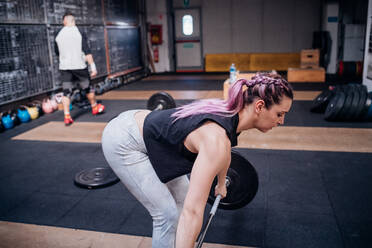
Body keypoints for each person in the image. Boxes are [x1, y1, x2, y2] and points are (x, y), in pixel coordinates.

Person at [101, 73, 293, 248]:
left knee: (184, 203)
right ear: (259, 106)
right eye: (280, 114)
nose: (281, 121)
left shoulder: (231, 116)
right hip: (124, 140)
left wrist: (221, 183)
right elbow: (192, 213)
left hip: (149, 135)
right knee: (167, 216)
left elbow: (226, 151)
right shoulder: (216, 139)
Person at [55, 12, 104, 126]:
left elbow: (57, 52)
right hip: (79, 66)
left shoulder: (58, 34)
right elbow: (87, 52)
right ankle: (94, 107)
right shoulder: (79, 32)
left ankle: (67, 116)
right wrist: (93, 67)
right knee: (87, 88)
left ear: (64, 21)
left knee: (66, 91)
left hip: (65, 67)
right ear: (73, 21)